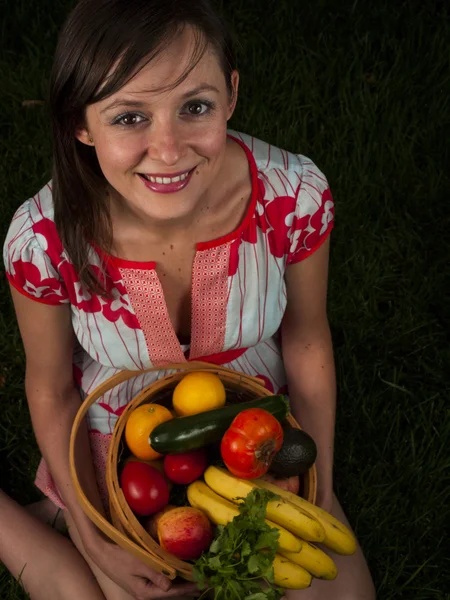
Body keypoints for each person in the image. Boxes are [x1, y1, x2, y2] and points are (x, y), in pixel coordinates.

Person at [0, 0, 376, 598]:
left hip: (248, 419)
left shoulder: (294, 197)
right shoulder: (41, 239)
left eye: (194, 107)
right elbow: (51, 387)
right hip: (127, 430)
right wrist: (99, 535)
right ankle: (35, 517)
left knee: (343, 593)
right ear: (79, 120)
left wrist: (320, 483)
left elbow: (306, 337)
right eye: (129, 118)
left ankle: (60, 517)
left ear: (230, 95)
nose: (170, 150)